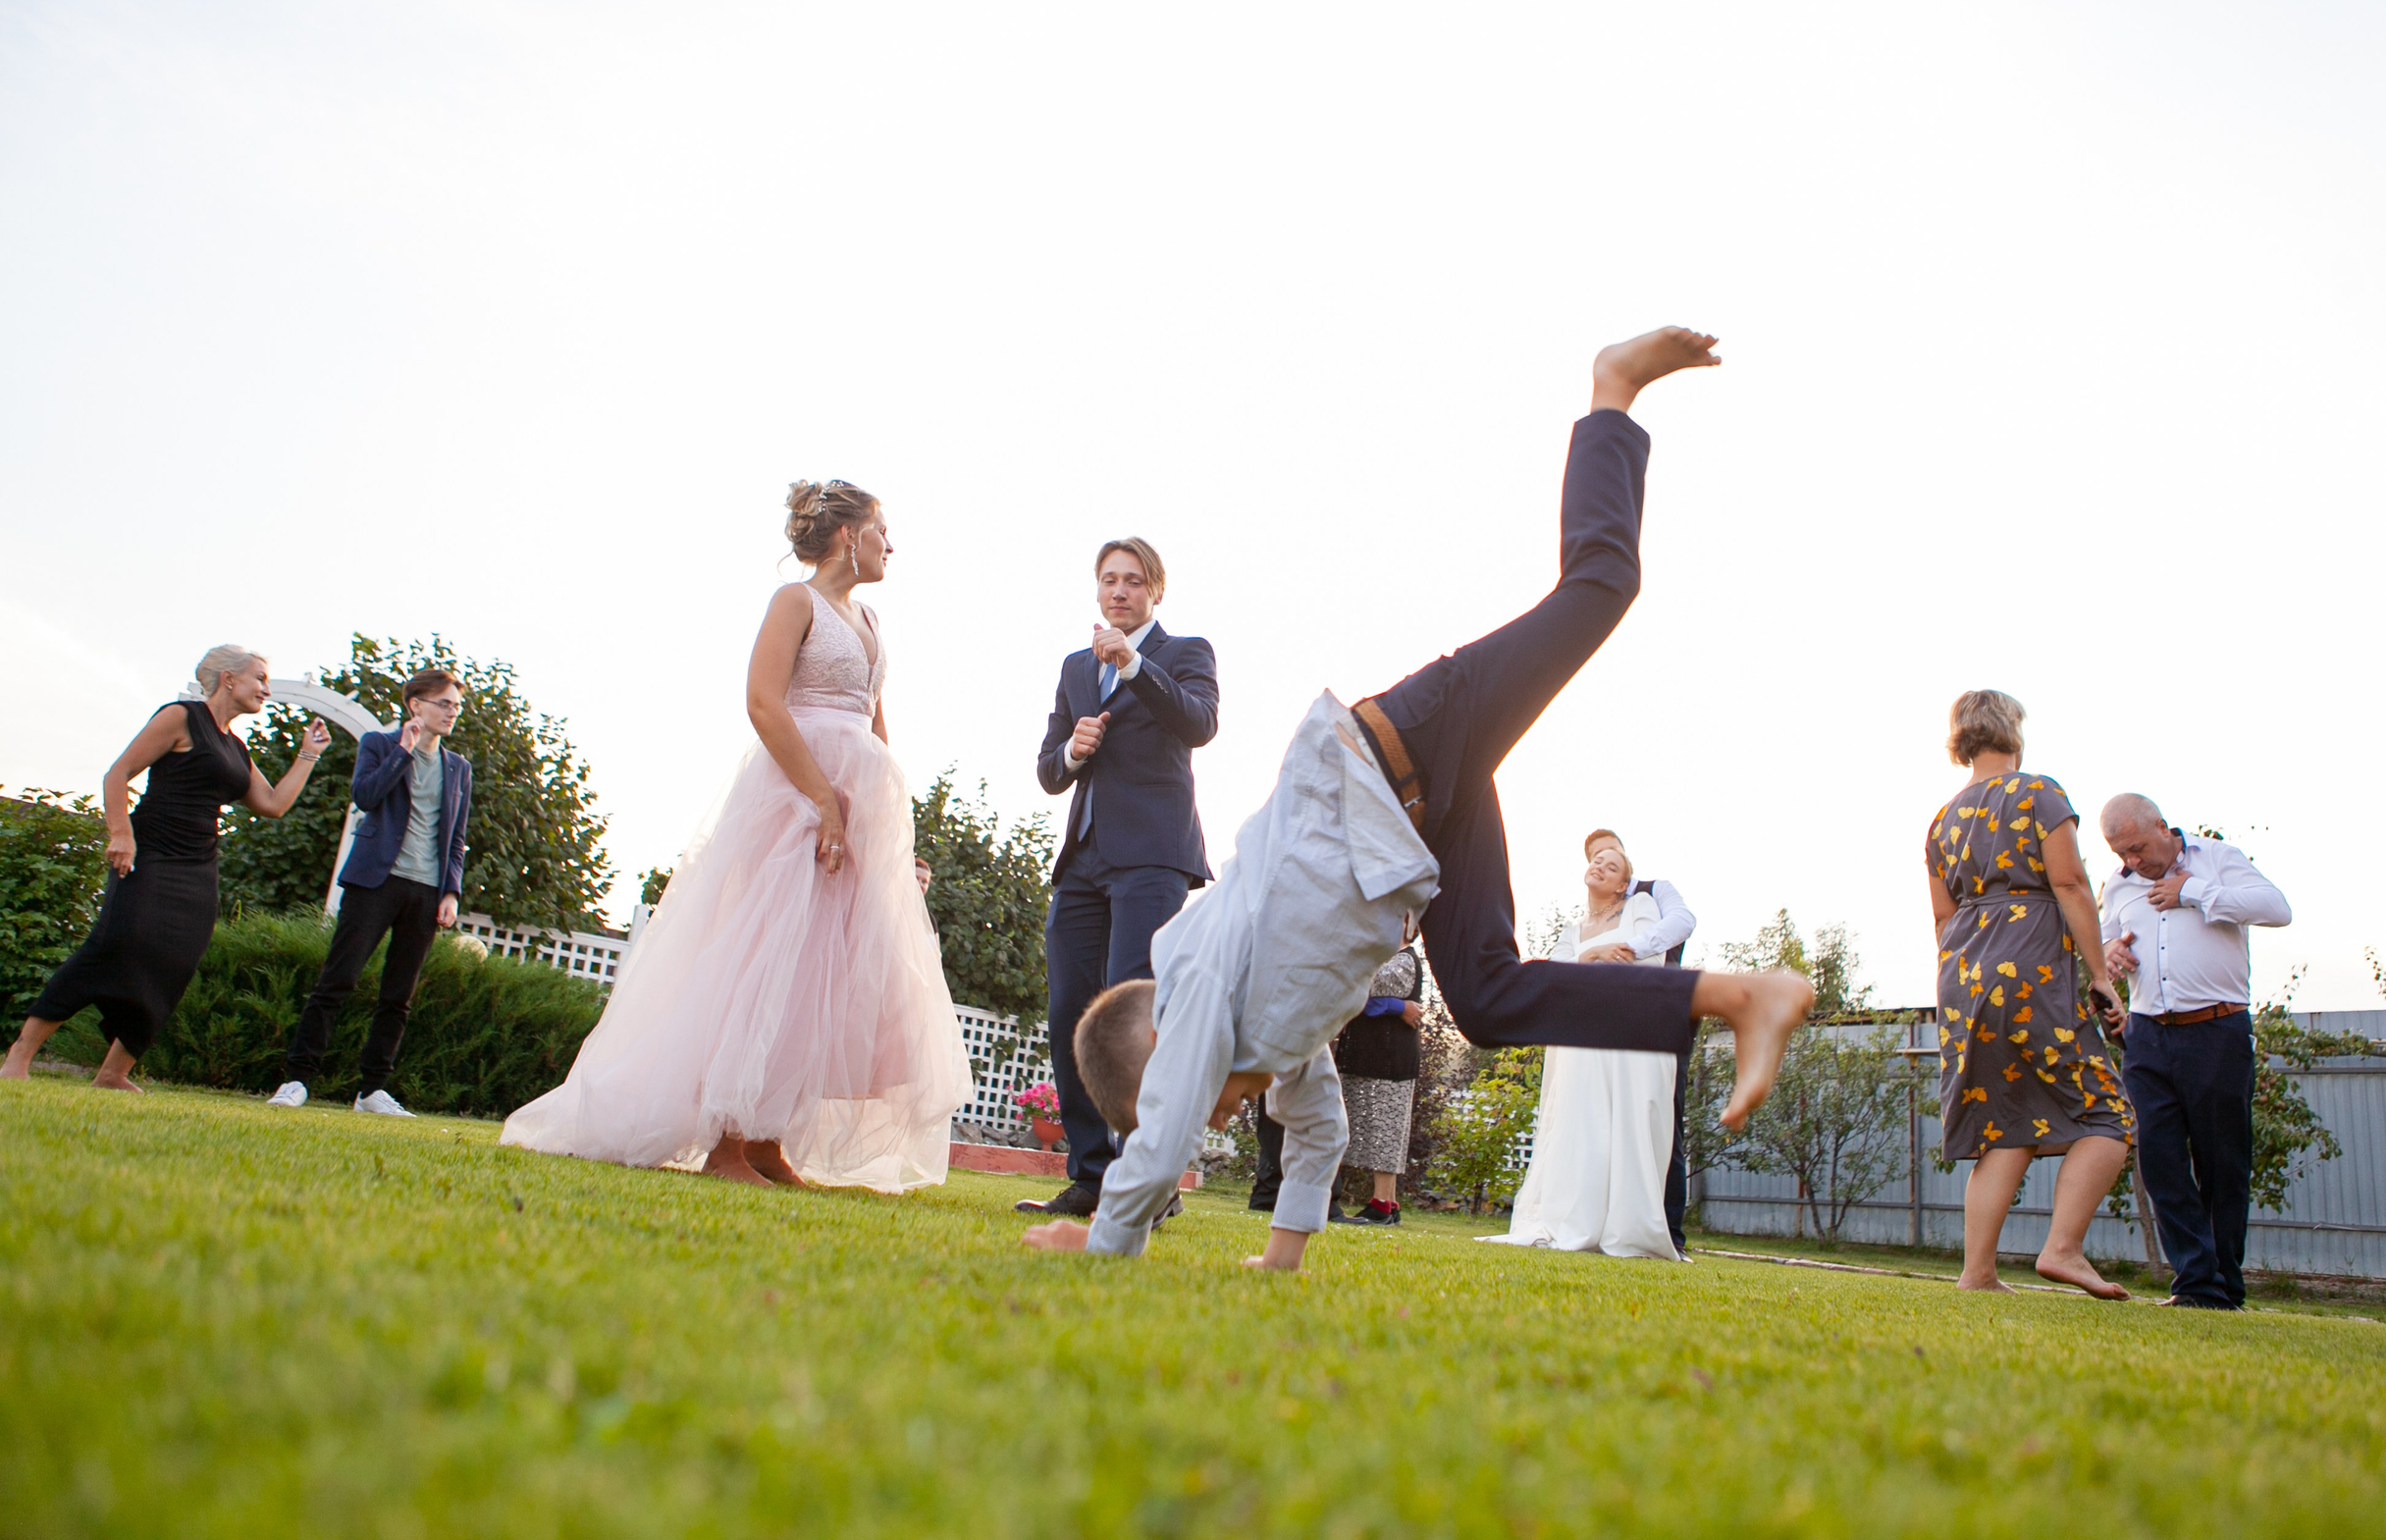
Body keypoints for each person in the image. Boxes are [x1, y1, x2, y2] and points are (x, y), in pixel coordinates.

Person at [1024, 325, 1815, 1269]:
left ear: (1164, 1046)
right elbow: (1321, 1134)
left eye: (1187, 1100)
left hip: (1398, 745)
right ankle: (1736, 998)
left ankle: (1612, 391)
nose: (1218, 1109)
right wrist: (1281, 1255)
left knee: (1602, 586)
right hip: (1422, 818)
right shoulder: (1280, 1035)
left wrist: (1106, 1238)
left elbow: (1158, 1140)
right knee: (1484, 998)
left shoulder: (1194, 976)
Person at [500, 479, 971, 1189]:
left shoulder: (870, 617)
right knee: (766, 959)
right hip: (794, 798)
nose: (890, 544)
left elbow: (875, 721)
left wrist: (888, 828)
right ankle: (722, 1144)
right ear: (851, 534)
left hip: (859, 802)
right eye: (882, 530)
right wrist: (823, 801)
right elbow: (761, 699)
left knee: (821, 974)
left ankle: (765, 1140)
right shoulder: (795, 602)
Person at [2, 646, 330, 1090]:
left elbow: (272, 805)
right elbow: (118, 772)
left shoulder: (235, 746)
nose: (266, 690)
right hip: (151, 851)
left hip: (199, 865)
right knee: (111, 945)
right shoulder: (180, 717)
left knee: (174, 964)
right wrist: (120, 833)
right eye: (260, 678)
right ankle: (19, 1054)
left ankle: (114, 1074)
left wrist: (307, 755)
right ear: (229, 679)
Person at [1019, 537, 1219, 1219]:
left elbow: (1198, 724)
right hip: (1083, 858)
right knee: (1070, 1011)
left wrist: (1134, 664)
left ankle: (1151, 1180)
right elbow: (1048, 770)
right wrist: (1072, 753)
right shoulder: (1075, 666)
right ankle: (1091, 1174)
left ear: (1155, 590)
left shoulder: (1185, 653)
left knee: (1135, 1020)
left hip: (1153, 858)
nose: (1119, 591)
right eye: (1109, 579)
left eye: (1133, 581)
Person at [1926, 690, 2133, 1299]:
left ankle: (1978, 1274)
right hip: (2031, 963)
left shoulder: (1943, 819)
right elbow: (2069, 882)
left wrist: (1967, 981)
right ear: (2012, 731)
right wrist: (2099, 974)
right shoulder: (2040, 793)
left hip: (1965, 976)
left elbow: (1942, 919)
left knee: (2005, 1124)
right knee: (2108, 1115)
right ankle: (2064, 1249)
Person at [2099, 794, 2292, 1310]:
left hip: (2216, 1029)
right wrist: (2109, 952)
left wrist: (2195, 893)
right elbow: (2100, 943)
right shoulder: (2117, 885)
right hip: (2145, 1035)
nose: (2134, 862)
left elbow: (2278, 910)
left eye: (2139, 848)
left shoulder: (2217, 861)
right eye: (2123, 854)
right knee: (2159, 1159)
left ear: (2163, 827)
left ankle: (2223, 1286)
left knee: (2221, 1161)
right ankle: (2194, 1282)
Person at [268, 668, 474, 1117]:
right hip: (374, 882)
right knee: (336, 982)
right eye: (444, 704)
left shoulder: (459, 768)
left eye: (456, 706)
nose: (452, 713)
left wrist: (451, 892)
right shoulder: (378, 745)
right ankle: (298, 1079)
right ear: (416, 705)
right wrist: (404, 751)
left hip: (425, 891)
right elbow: (365, 796)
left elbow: (456, 838)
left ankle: (372, 1091)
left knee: (398, 996)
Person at [1482, 832, 1683, 1259]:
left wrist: (1608, 959)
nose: (1600, 867)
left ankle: (1624, 1225)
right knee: (1582, 1124)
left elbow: (1652, 958)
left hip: (1628, 1035)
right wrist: (1592, 958)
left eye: (1612, 866)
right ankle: (1573, 1214)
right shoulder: (1573, 929)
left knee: (1624, 1125)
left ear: (1621, 885)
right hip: (1581, 1039)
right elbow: (1556, 974)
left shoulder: (1642, 907)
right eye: (1596, 860)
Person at [1571, 835, 1699, 1248]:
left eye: (1609, 854)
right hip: (1603, 1033)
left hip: (1662, 1013)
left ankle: (1670, 1233)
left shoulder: (1651, 892)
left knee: (1662, 1118)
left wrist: (1627, 948)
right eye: (1594, 856)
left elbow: (1681, 922)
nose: (1601, 861)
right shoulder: (1591, 915)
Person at [1326, 944, 1426, 1227]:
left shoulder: (1402, 960)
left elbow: (1363, 986)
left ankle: (1383, 1204)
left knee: (1385, 1130)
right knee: (1383, 1129)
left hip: (1387, 1059)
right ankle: (1388, 1203)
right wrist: (1398, 1007)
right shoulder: (1389, 957)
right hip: (1375, 1056)